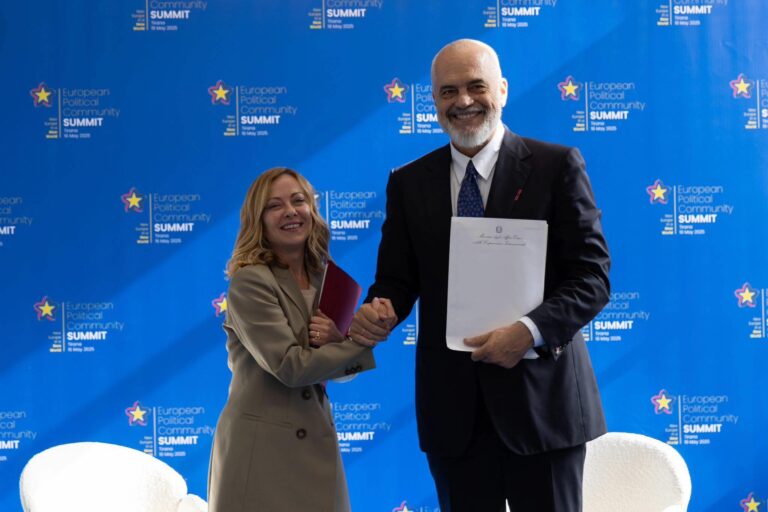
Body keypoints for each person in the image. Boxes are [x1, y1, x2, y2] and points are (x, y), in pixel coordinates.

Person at [350, 39, 611, 512]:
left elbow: (591, 278)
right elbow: (396, 279)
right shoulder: (409, 182)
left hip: (542, 407)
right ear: (434, 100)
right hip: (455, 415)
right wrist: (380, 308)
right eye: (448, 91)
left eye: (476, 86)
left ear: (503, 90)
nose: (463, 101)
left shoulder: (555, 166)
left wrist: (527, 332)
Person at [208, 167, 375, 512]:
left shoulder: (327, 278)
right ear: (258, 220)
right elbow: (290, 367)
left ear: (312, 209)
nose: (290, 211)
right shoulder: (250, 282)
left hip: (317, 444)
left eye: (298, 201)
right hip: (262, 455)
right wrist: (358, 343)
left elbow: (339, 369)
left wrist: (340, 343)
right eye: (275, 205)